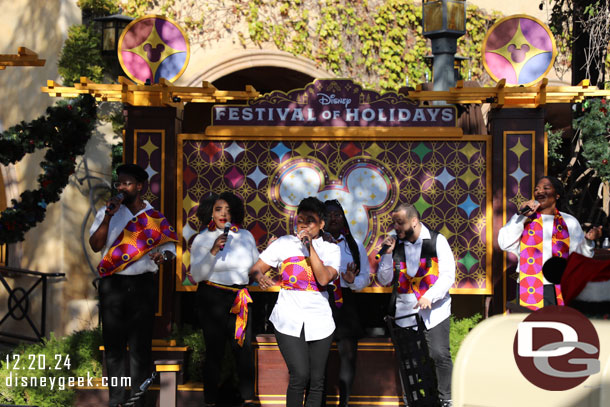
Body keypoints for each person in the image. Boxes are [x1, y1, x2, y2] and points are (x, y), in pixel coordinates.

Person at [89, 163, 178, 407]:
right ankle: (117, 401)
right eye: (118, 183)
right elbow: (96, 245)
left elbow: (170, 249)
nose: (121, 187)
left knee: (140, 346)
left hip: (142, 285)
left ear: (140, 186)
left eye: (127, 183)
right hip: (112, 284)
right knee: (114, 346)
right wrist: (108, 215)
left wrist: (164, 257)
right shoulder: (108, 212)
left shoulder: (154, 217)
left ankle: (139, 402)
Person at [249, 197, 341, 407]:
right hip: (288, 318)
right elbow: (255, 269)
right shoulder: (283, 244)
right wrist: (259, 276)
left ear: (322, 224)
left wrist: (309, 248)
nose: (304, 225)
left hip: (320, 321)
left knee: (317, 381)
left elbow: (324, 278)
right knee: (300, 375)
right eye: (301, 220)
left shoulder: (331, 250)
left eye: (310, 221)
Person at [377, 203, 455, 407]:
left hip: (435, 311)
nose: (396, 227)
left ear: (414, 221)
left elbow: (448, 275)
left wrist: (430, 296)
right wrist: (386, 254)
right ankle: (411, 400)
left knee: (439, 354)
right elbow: (384, 279)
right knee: (408, 360)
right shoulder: (396, 245)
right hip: (405, 313)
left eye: (400, 222)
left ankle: (446, 398)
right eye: (394, 222)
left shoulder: (437, 240)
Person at [189, 192, 259, 407]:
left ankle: (247, 399)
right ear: (211, 211)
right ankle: (210, 401)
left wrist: (262, 270)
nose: (223, 214)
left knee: (243, 349)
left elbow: (254, 269)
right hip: (212, 297)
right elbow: (197, 275)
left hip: (239, 298)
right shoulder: (202, 238)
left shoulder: (246, 236)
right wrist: (212, 250)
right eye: (219, 209)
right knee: (214, 351)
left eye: (228, 210)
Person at [498, 176, 601, 310]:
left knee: (558, 326)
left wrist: (588, 241)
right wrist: (521, 216)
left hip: (561, 286)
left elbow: (581, 257)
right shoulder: (524, 219)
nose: (540, 192)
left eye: (546, 188)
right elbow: (504, 243)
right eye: (537, 189)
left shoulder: (569, 221)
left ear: (557, 195)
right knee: (532, 328)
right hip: (529, 286)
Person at [323, 199, 370, 407]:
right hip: (321, 301)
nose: (334, 218)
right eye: (329, 214)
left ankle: (345, 403)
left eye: (337, 214)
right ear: (321, 220)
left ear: (343, 219)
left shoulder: (354, 245)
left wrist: (352, 282)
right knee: (318, 356)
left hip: (346, 303)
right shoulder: (315, 244)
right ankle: (319, 401)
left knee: (348, 354)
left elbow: (365, 279)